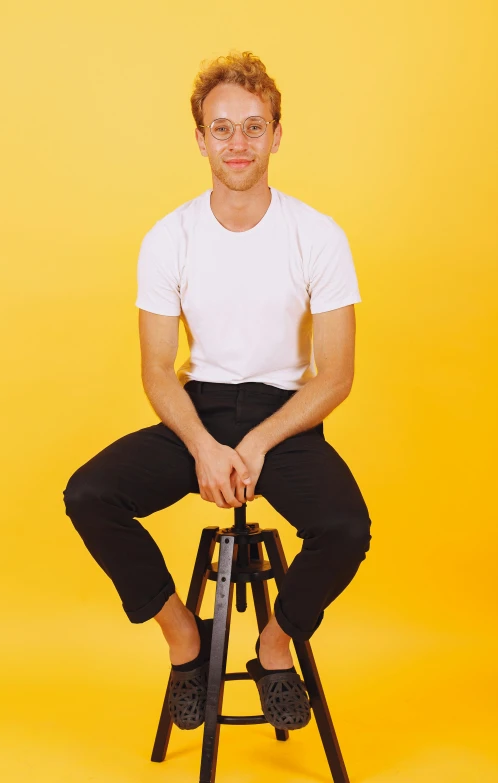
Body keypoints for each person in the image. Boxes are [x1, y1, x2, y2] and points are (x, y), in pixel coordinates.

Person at [63, 50, 372, 732]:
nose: (238, 143)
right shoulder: (168, 237)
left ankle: (273, 648)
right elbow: (155, 370)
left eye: (254, 127)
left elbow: (336, 374)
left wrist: (258, 442)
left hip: (284, 418)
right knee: (89, 494)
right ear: (200, 137)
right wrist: (204, 445)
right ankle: (186, 639)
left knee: (347, 529)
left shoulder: (317, 235)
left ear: (277, 135)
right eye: (223, 128)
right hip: (197, 407)